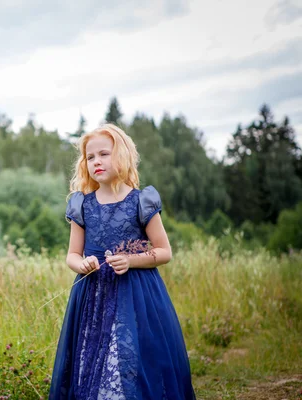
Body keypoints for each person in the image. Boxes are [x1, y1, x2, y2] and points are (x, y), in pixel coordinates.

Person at [49, 124, 196, 400]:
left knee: (132, 358)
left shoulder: (142, 202)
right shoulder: (82, 205)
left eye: (104, 154)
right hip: (93, 297)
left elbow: (164, 251)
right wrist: (81, 264)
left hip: (138, 295)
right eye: (90, 157)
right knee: (94, 359)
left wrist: (131, 260)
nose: (97, 162)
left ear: (123, 156)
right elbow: (71, 255)